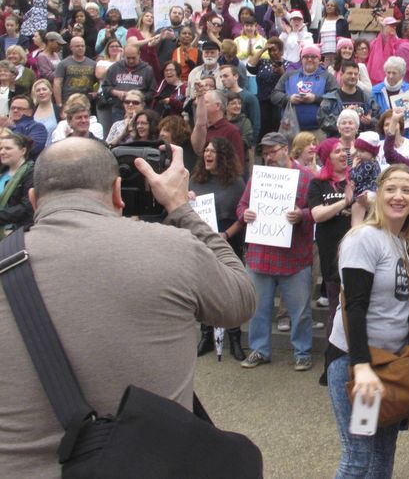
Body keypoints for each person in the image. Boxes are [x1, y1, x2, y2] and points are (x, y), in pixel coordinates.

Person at [0, 139, 256, 477]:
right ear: (118, 192)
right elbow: (241, 298)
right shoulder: (173, 248)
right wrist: (180, 208)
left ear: (33, 201)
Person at [325, 165, 409, 478]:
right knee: (359, 458)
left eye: (406, 190)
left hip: (388, 368)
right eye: (391, 188)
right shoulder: (364, 238)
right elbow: (354, 304)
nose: (398, 196)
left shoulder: (399, 242)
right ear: (378, 195)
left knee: (382, 457)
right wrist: (361, 366)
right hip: (360, 367)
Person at [237, 132, 315, 371]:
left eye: (273, 151)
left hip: (294, 258)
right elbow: (242, 205)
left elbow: (317, 211)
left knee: (300, 310)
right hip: (261, 256)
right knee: (258, 309)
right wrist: (244, 215)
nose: (268, 157)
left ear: (285, 149)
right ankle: (259, 350)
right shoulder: (258, 177)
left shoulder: (307, 178)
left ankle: (302, 352)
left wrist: (302, 215)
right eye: (265, 152)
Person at [190, 137, 248, 361]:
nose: (207, 154)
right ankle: (206, 335)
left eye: (213, 151)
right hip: (201, 241)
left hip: (227, 240)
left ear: (222, 156)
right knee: (204, 289)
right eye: (206, 150)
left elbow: (242, 217)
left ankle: (234, 337)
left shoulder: (235, 182)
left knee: (229, 289)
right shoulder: (194, 180)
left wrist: (226, 234)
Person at [308, 138, 354, 355]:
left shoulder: (355, 179)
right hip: (330, 253)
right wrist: (344, 202)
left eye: (344, 151)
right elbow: (317, 215)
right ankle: (332, 359)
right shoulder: (317, 183)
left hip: (355, 252)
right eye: (337, 152)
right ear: (327, 158)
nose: (343, 154)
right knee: (335, 308)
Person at [270, 45, 338, 137]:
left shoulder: (328, 77)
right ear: (301, 59)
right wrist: (289, 99)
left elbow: (335, 98)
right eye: (306, 57)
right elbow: (275, 95)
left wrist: (315, 99)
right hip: (290, 130)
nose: (309, 59)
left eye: (313, 56)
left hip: (318, 130)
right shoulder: (289, 75)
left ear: (319, 59)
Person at [318, 59, 380, 137]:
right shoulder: (330, 99)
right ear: (341, 74)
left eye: (356, 74)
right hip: (338, 143)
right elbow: (322, 121)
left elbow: (380, 120)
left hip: (362, 143)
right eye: (350, 73)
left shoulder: (368, 98)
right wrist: (342, 116)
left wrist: (370, 121)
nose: (353, 76)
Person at [101, 44, 156, 124]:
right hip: (118, 109)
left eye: (133, 58)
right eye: (128, 58)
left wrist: (137, 97)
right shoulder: (115, 67)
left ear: (139, 54)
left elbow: (152, 92)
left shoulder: (147, 69)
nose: (131, 61)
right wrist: (116, 92)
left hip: (139, 112)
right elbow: (105, 87)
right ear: (123, 55)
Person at [191, 89, 245, 165]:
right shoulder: (202, 128)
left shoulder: (232, 131)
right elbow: (197, 149)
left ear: (217, 106)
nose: (200, 106)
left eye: (205, 102)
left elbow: (238, 163)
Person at [0, 132, 35, 234]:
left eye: (8, 148)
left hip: (16, 232)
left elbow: (26, 208)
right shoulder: (2, 172)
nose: (2, 152)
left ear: (23, 150)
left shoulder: (31, 173)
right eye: (1, 148)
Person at [53, 35, 97, 107]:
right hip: (68, 101)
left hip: (87, 102)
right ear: (71, 48)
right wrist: (59, 104)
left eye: (82, 46)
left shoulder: (93, 64)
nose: (80, 48)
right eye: (77, 46)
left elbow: (101, 80)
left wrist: (96, 92)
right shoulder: (63, 64)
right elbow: (57, 84)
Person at [219, 63, 260, 139]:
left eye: (226, 76)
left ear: (236, 76)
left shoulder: (249, 97)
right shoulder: (221, 95)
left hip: (243, 139)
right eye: (221, 77)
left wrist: (252, 145)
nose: (222, 79)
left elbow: (255, 124)